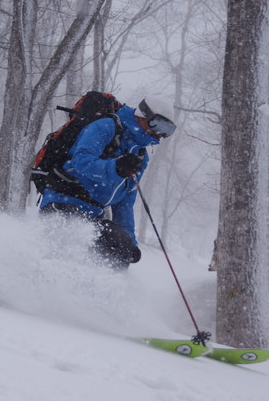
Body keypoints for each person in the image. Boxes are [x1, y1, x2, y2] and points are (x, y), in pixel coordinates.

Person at [38, 94, 176, 270]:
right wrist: (115, 167)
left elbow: (125, 202)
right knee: (64, 255)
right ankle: (40, 290)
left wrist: (130, 242)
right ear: (142, 115)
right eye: (157, 124)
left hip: (93, 214)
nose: (158, 134)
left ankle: (104, 294)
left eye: (166, 130)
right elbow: (81, 162)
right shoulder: (105, 127)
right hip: (64, 199)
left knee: (119, 249)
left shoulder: (140, 156)